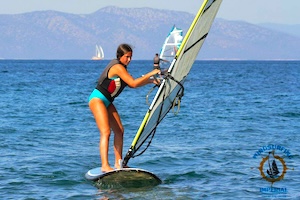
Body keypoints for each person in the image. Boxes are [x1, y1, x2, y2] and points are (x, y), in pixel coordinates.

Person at [89, 43, 160, 172]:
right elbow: (133, 83)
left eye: (131, 57)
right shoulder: (117, 67)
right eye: (127, 57)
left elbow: (133, 82)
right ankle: (105, 165)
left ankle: (118, 164)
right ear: (120, 56)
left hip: (107, 101)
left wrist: (150, 80)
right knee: (106, 132)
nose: (129, 60)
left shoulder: (123, 69)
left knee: (119, 131)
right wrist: (152, 72)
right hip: (97, 99)